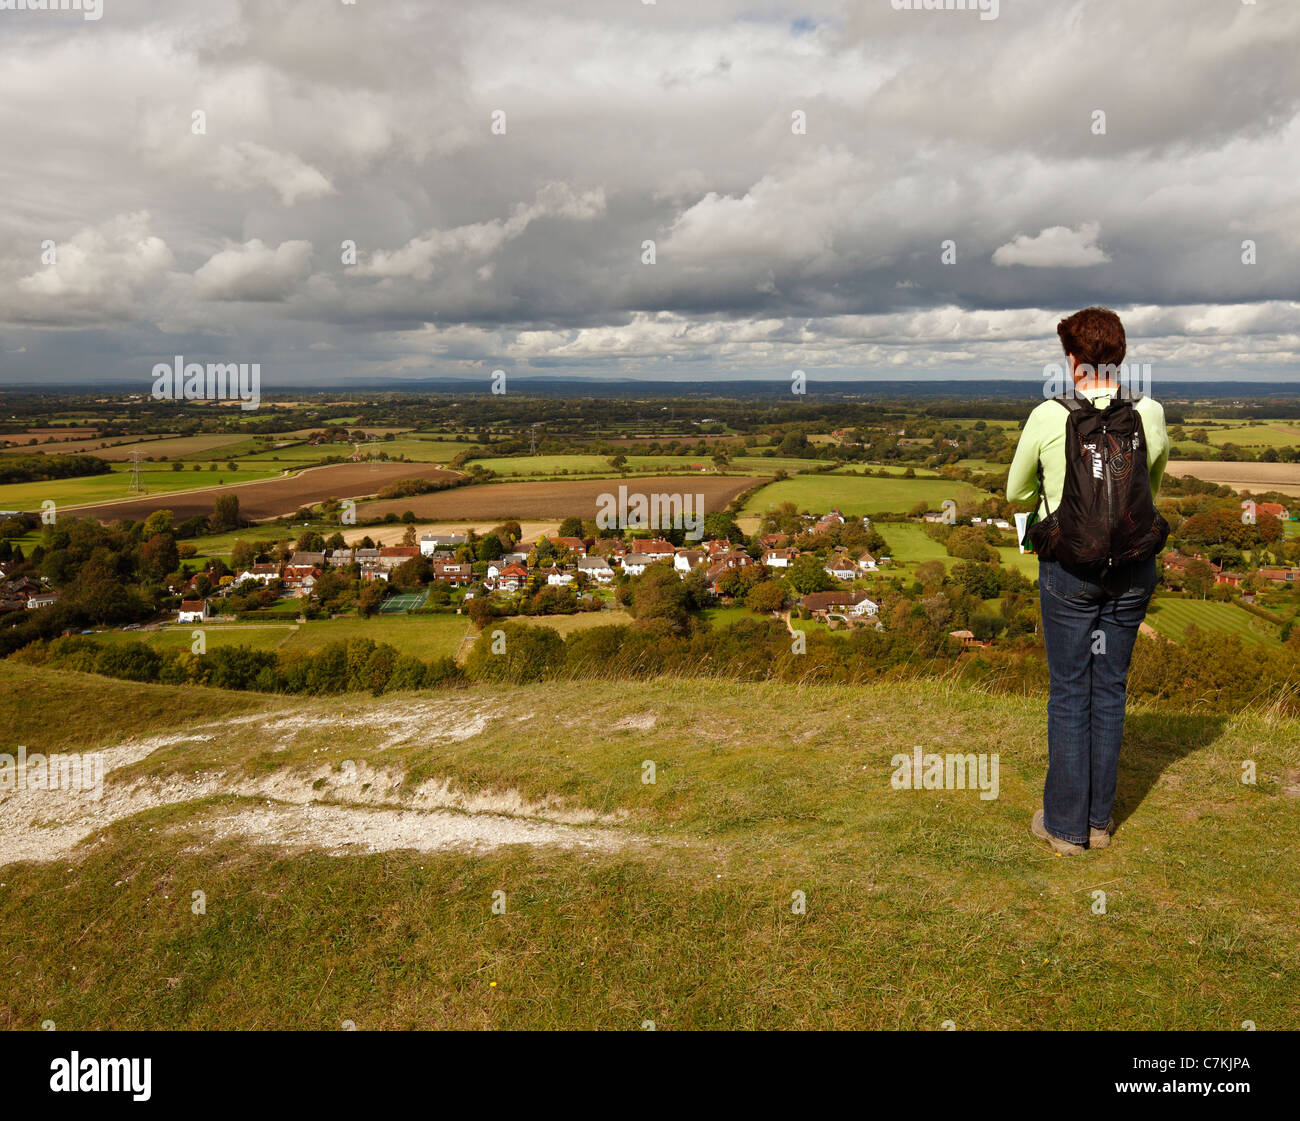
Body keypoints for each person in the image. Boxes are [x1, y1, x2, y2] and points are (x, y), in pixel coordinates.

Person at [1007, 307, 1170, 855]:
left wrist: (1042, 510)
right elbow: (1149, 484)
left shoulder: (1048, 416)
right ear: (1120, 355)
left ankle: (1065, 828)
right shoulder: (1150, 412)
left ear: (1071, 358)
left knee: (1071, 691)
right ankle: (1098, 824)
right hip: (1131, 568)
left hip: (1068, 570)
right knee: (1109, 690)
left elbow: (1015, 494)